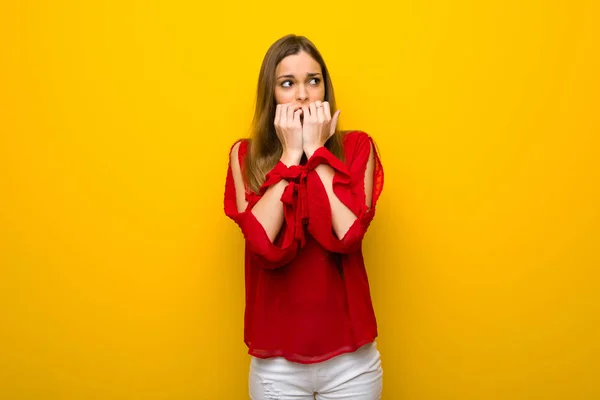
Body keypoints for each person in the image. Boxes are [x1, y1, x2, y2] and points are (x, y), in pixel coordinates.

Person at [223, 34, 384, 399]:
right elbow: (262, 243)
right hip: (277, 367)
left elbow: (348, 235)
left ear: (325, 89)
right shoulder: (244, 156)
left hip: (352, 365)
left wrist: (315, 150)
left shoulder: (358, 147)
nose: (302, 95)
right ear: (271, 94)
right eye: (287, 83)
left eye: (313, 81)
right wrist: (290, 155)